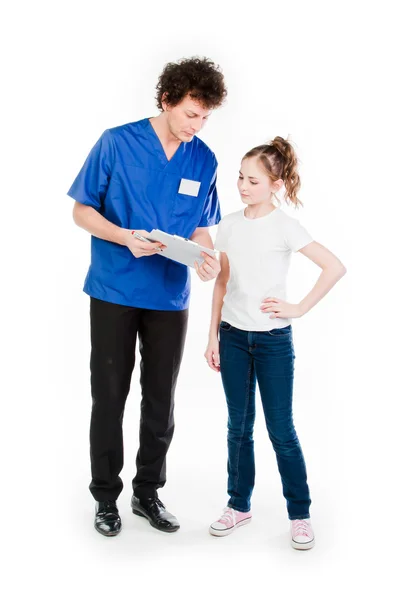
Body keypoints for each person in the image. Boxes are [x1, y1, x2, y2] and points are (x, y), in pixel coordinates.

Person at [67, 57, 227, 536]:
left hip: (169, 295)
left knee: (160, 399)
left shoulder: (204, 159)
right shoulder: (117, 142)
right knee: (110, 395)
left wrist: (206, 258)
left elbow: (201, 227)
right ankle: (105, 497)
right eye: (190, 114)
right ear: (166, 100)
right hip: (115, 287)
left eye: (204, 118)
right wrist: (123, 236)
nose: (196, 126)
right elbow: (81, 211)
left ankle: (147, 493)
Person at [205, 137, 346, 550]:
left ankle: (299, 514)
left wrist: (298, 307)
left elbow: (333, 266)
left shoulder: (285, 226)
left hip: (272, 344)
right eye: (240, 178)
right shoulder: (229, 224)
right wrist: (212, 335)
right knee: (238, 428)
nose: (243, 186)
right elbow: (222, 282)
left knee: (281, 430)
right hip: (232, 338)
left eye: (252, 180)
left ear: (275, 184)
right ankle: (238, 504)